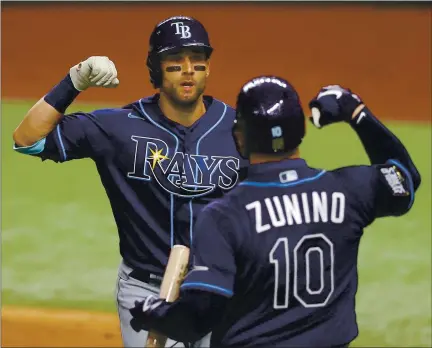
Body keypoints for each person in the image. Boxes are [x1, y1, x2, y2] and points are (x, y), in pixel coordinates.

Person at [128, 76, 421, 347]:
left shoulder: (224, 217)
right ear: (302, 130)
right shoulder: (351, 191)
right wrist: (355, 112)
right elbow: (404, 176)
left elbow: (196, 320)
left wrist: (154, 311)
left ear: (239, 137)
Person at [12, 16, 248, 348]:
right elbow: (28, 139)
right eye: (175, 61)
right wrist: (74, 81)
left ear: (208, 67)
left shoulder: (239, 128)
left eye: (197, 60)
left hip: (221, 288)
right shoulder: (119, 128)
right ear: (156, 68)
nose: (188, 69)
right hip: (147, 290)